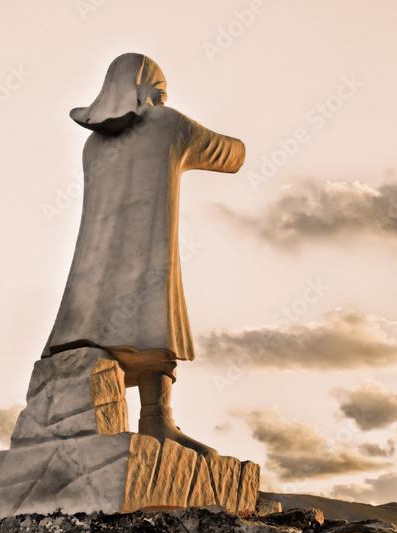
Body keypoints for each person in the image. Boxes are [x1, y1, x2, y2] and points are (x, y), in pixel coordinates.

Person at [43, 53, 245, 456]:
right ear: (146, 88)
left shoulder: (93, 145)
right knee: (154, 329)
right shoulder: (167, 124)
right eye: (161, 90)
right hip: (147, 258)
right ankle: (157, 420)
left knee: (116, 331)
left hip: (92, 278)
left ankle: (144, 423)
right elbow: (230, 155)